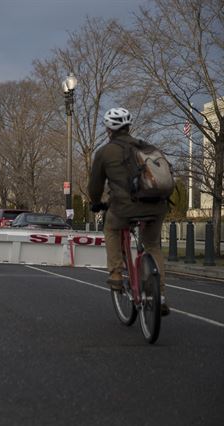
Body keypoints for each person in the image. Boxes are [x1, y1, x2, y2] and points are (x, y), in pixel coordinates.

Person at [88, 107, 170, 316]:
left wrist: (95, 202)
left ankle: (116, 273)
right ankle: (160, 296)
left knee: (112, 228)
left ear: (108, 129)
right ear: (129, 126)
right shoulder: (147, 147)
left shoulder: (105, 153)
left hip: (124, 208)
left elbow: (95, 186)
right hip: (157, 205)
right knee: (152, 245)